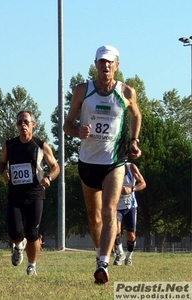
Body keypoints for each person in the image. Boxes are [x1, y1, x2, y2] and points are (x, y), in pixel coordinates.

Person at [63, 45, 142, 284]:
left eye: (110, 62)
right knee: (93, 216)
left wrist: (134, 140)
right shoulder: (82, 91)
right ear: (95, 64)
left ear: (117, 65)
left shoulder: (127, 92)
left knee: (109, 211)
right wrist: (78, 131)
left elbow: (136, 115)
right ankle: (103, 251)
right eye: (101, 62)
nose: (105, 66)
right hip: (88, 162)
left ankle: (103, 264)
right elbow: (66, 125)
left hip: (114, 162)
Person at [0, 110, 60, 275]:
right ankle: (18, 245)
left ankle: (32, 265)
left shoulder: (41, 146)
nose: (23, 125)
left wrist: (49, 178)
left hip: (35, 194)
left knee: (33, 232)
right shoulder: (9, 145)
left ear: (33, 124)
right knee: (14, 231)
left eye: (26, 122)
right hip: (15, 194)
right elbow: (2, 163)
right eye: (19, 122)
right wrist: (4, 172)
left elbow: (56, 167)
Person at [113, 162, 146, 266]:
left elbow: (143, 183)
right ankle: (120, 253)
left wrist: (132, 189)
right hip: (116, 206)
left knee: (131, 235)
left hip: (130, 206)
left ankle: (129, 256)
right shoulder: (111, 169)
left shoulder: (131, 167)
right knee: (115, 229)